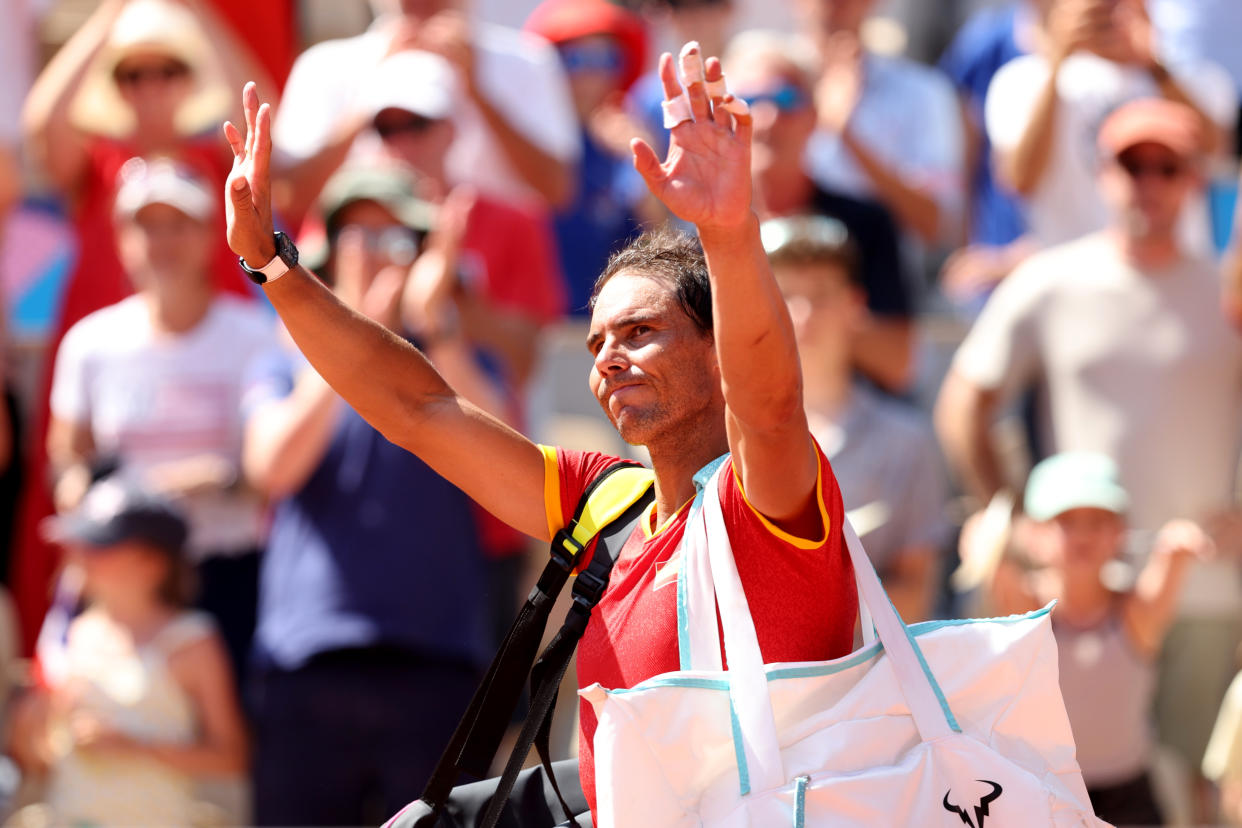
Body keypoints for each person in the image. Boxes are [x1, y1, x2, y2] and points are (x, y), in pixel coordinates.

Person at [223, 38, 857, 818]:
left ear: (717, 349)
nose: (610, 360)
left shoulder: (764, 500)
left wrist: (728, 233)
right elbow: (419, 411)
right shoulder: (605, 505)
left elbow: (769, 403)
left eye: (639, 333)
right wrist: (277, 272)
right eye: (596, 343)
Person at [936, 96, 1242, 817]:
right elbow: (964, 402)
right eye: (1132, 165)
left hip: (1206, 587)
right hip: (1081, 592)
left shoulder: (1226, 291)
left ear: (1195, 179)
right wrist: (1004, 517)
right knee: (1072, 788)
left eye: (1168, 167)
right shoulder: (1051, 278)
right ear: (1102, 174)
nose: (1150, 182)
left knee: (1198, 789)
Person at [242, 164, 510, 825]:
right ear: (330, 255)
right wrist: (346, 339)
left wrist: (432, 326)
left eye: (396, 240)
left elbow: (512, 456)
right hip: (306, 660)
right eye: (359, 237)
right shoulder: (283, 358)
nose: (378, 256)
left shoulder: (455, 358)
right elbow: (271, 467)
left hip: (436, 658)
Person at [12, 0, 273, 654]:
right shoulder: (98, 164)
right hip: (105, 379)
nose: (151, 87)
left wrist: (195, 14)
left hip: (215, 521)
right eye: (133, 75)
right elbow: (42, 122)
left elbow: (266, 113)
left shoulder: (215, 162)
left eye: (169, 71)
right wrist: (115, 11)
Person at [47, 159, 278, 684]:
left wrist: (215, 480)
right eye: (146, 226)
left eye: (178, 225)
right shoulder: (91, 343)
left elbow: (273, 473)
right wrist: (85, 493)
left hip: (227, 574)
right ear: (122, 239)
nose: (162, 242)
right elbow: (66, 462)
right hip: (122, 577)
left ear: (207, 236)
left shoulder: (255, 339)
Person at [7, 478, 248, 827]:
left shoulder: (193, 641)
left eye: (100, 545)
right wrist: (30, 726)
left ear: (152, 561)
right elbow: (39, 759)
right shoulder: (74, 635)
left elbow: (232, 757)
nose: (80, 555)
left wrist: (134, 747)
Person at [988, 452, 1206, 826]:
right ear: (1032, 535)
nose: (1084, 534)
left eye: (1099, 520)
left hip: (1129, 799)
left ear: (1121, 531)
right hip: (1043, 795)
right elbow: (990, 559)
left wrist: (1177, 551)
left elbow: (1169, 567)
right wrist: (987, 543)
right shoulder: (1022, 610)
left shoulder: (1135, 615)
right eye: (1067, 521)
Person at [765, 214, 948, 621]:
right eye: (787, 295)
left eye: (822, 294)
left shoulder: (907, 442)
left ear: (855, 306)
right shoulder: (717, 436)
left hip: (871, 675)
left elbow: (917, 592)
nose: (804, 314)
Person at [724, 28, 915, 391]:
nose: (766, 117)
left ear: (815, 115)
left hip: (851, 431)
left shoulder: (865, 223)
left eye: (784, 97)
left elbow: (898, 361)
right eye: (746, 100)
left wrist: (805, 314)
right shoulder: (701, 231)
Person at [272, 0, 579, 222]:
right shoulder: (323, 65)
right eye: (390, 127)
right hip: (357, 265)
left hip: (498, 274)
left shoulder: (529, 60)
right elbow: (289, 197)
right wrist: (370, 98)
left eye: (416, 125)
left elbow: (557, 190)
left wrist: (477, 92)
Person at [985, 0, 1236, 250]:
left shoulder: (1195, 78)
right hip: (1072, 274)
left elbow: (1214, 153)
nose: (1108, 13)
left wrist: (1153, 65)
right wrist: (1058, 59)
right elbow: (1018, 179)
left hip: (1173, 278)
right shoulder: (1019, 81)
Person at [524, 0, 662, 317]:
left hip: (612, 323)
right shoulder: (528, 138)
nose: (591, 73)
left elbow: (659, 238)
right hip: (538, 325)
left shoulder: (629, 136)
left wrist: (641, 161)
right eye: (575, 59)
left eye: (606, 58)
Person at [795, 0, 965, 246]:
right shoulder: (759, 83)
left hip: (882, 277)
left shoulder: (923, 92)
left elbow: (937, 224)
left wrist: (845, 133)